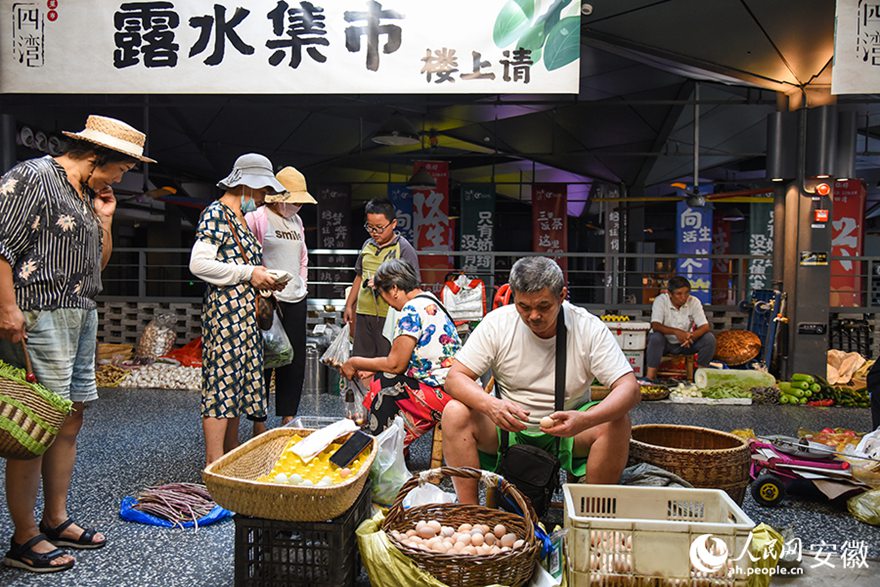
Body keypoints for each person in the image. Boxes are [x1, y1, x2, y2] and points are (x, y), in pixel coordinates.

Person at [0, 115, 150, 572]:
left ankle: (55, 518)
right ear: (96, 155)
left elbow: (98, 263)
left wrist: (105, 220)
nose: (122, 177)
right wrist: (7, 308)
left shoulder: (89, 195)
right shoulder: (33, 176)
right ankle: (23, 538)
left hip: (82, 311)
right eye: (121, 168)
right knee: (36, 424)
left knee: (70, 417)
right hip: (38, 310)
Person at [442, 256, 640, 503]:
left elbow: (629, 389)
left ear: (562, 295)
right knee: (454, 412)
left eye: (544, 306)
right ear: (514, 296)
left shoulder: (588, 327)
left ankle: (593, 515)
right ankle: (468, 510)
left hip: (570, 430)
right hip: (507, 430)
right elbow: (454, 378)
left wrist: (585, 419)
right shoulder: (498, 323)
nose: (533, 316)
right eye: (524, 307)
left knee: (617, 422)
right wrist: (490, 405)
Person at [189, 153, 286, 466]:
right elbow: (199, 264)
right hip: (225, 315)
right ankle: (213, 464)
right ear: (245, 184)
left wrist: (264, 280)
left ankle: (228, 461)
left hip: (244, 316)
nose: (261, 199)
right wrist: (249, 274)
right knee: (221, 386)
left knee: (235, 387)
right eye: (259, 192)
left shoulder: (240, 219)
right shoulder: (215, 214)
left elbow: (240, 266)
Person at [340, 259, 461, 447]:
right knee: (385, 378)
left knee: (384, 383)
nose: (387, 303)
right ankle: (393, 451)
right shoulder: (431, 300)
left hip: (443, 394)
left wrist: (355, 362)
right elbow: (415, 358)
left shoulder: (411, 309)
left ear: (394, 289)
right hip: (454, 388)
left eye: (382, 294)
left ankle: (383, 453)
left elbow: (396, 364)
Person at [245, 166, 316, 435]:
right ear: (278, 197)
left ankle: (288, 416)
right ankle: (258, 420)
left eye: (300, 201)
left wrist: (302, 284)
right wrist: (258, 289)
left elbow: (303, 258)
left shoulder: (297, 222)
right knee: (264, 357)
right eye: (294, 200)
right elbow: (248, 256)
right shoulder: (257, 218)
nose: (297, 205)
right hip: (266, 299)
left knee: (293, 359)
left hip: (295, 298)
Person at [343, 198, 420, 361]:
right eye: (370, 227)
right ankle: (365, 388)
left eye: (379, 228)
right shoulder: (367, 245)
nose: (374, 232)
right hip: (364, 311)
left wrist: (383, 283)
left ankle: (384, 388)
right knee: (362, 361)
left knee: (387, 360)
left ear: (393, 224)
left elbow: (413, 287)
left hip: (390, 314)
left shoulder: (404, 248)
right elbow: (359, 275)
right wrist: (349, 305)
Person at [644, 276, 717, 381]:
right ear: (669, 294)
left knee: (709, 339)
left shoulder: (694, 301)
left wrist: (690, 336)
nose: (684, 297)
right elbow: (656, 326)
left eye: (686, 293)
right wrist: (677, 332)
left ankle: (700, 376)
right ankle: (650, 377)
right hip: (665, 344)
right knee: (656, 337)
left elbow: (704, 326)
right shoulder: (661, 301)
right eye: (679, 294)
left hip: (686, 343)